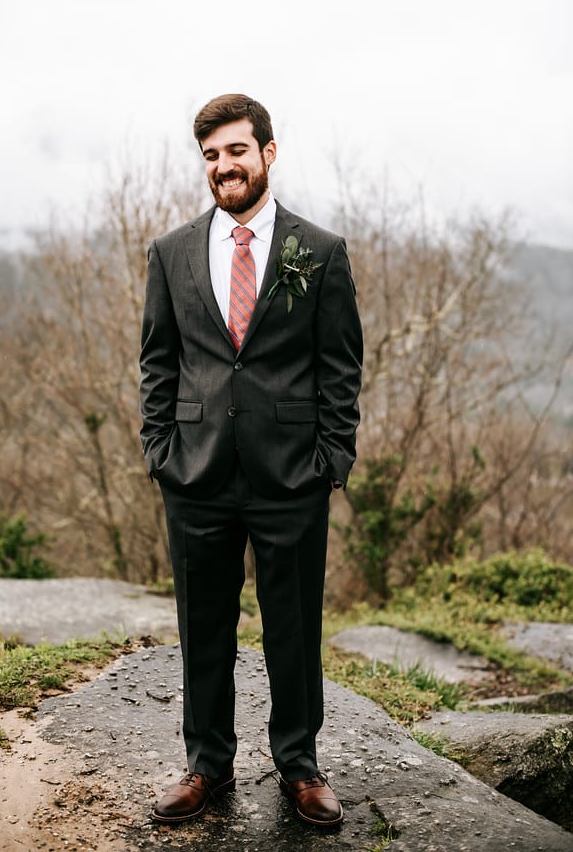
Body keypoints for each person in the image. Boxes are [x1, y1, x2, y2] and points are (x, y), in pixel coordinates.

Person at [139, 93, 363, 827]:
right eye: (210, 156)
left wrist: (330, 459)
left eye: (235, 151)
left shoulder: (319, 251)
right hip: (195, 475)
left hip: (291, 475)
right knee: (203, 625)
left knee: (291, 627)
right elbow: (158, 363)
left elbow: (339, 368)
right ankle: (207, 764)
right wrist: (160, 452)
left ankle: (299, 767)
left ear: (267, 152)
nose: (222, 167)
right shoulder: (170, 253)